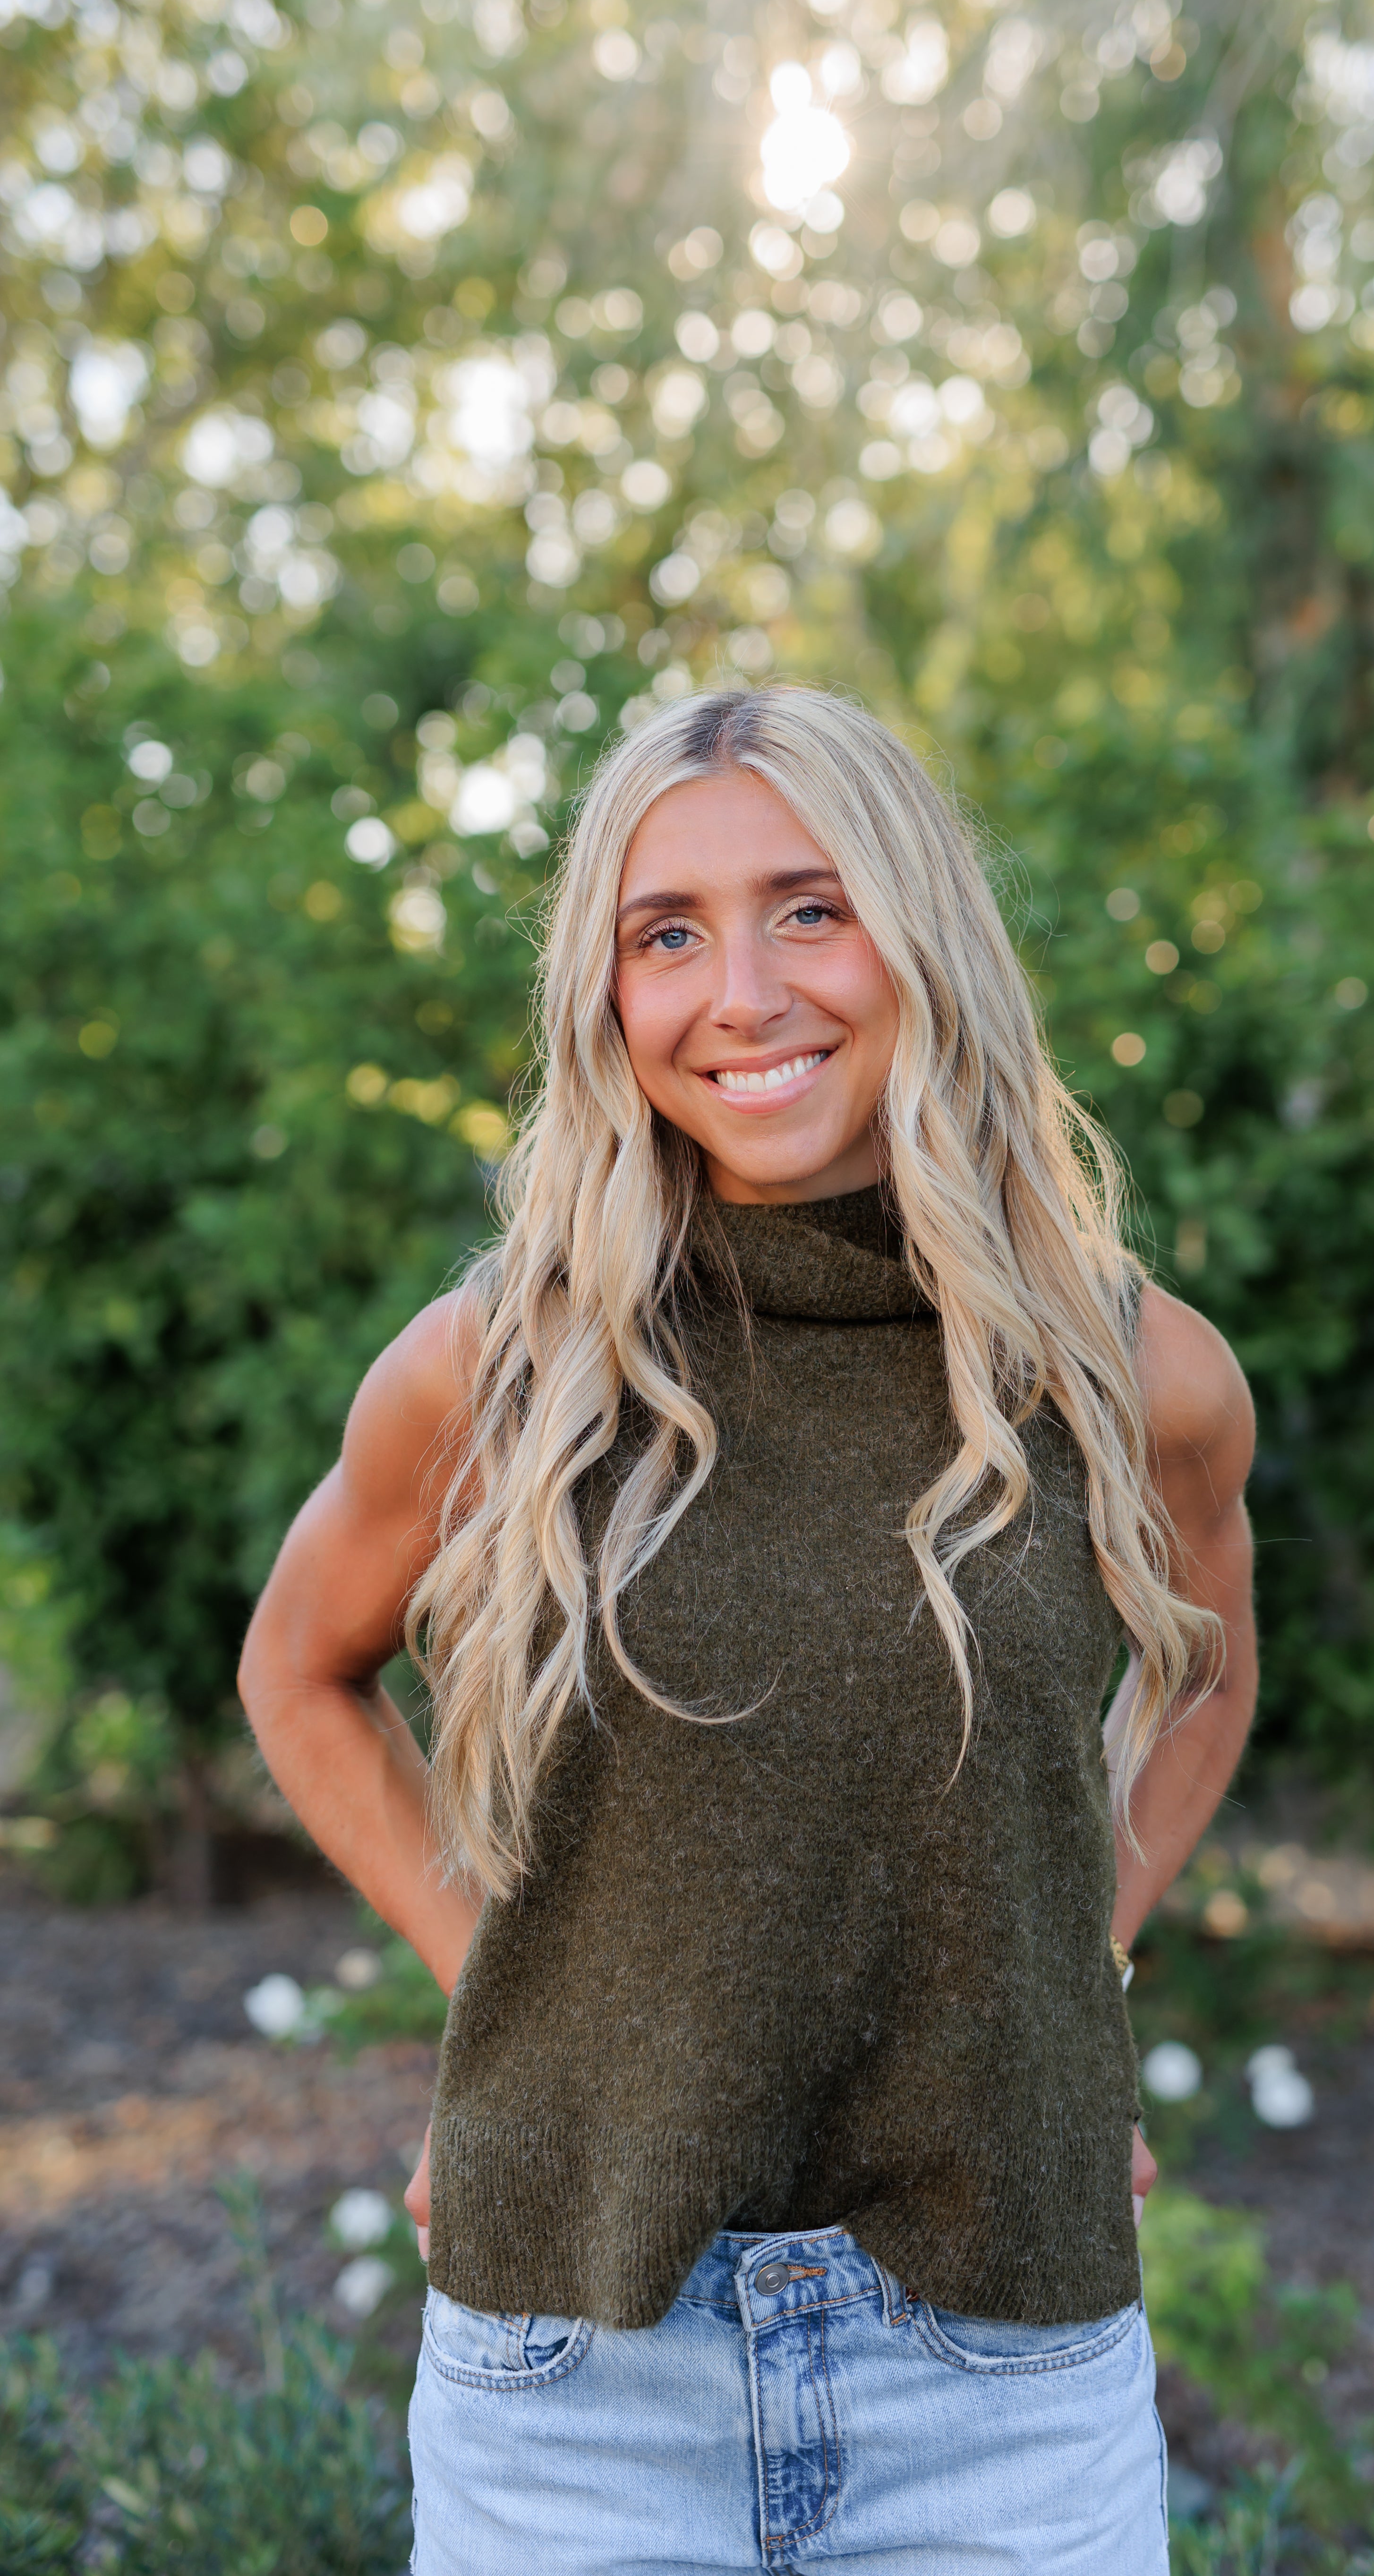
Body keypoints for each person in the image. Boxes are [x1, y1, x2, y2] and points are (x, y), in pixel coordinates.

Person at [239, 685, 1256, 2574]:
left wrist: (1077, 1985)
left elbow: (1207, 1673)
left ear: (921, 937)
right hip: (579, 2388)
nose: (745, 994)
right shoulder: (502, 1369)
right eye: (668, 934)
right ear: (607, 998)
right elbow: (295, 1674)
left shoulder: (1126, 1368)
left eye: (810, 907)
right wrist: (513, 2001)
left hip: (1002, 2388)